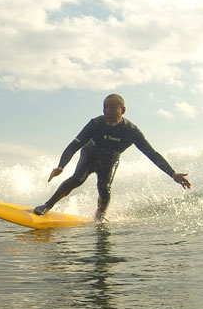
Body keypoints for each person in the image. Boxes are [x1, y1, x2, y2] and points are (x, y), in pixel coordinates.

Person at [33, 94, 191, 220]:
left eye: (112, 107)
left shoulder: (131, 131)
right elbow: (74, 145)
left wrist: (172, 173)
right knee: (77, 179)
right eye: (105, 107)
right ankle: (47, 205)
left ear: (123, 110)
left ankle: (100, 216)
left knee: (104, 188)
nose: (107, 111)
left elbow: (152, 154)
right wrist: (61, 165)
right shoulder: (96, 124)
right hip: (90, 155)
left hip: (110, 161)